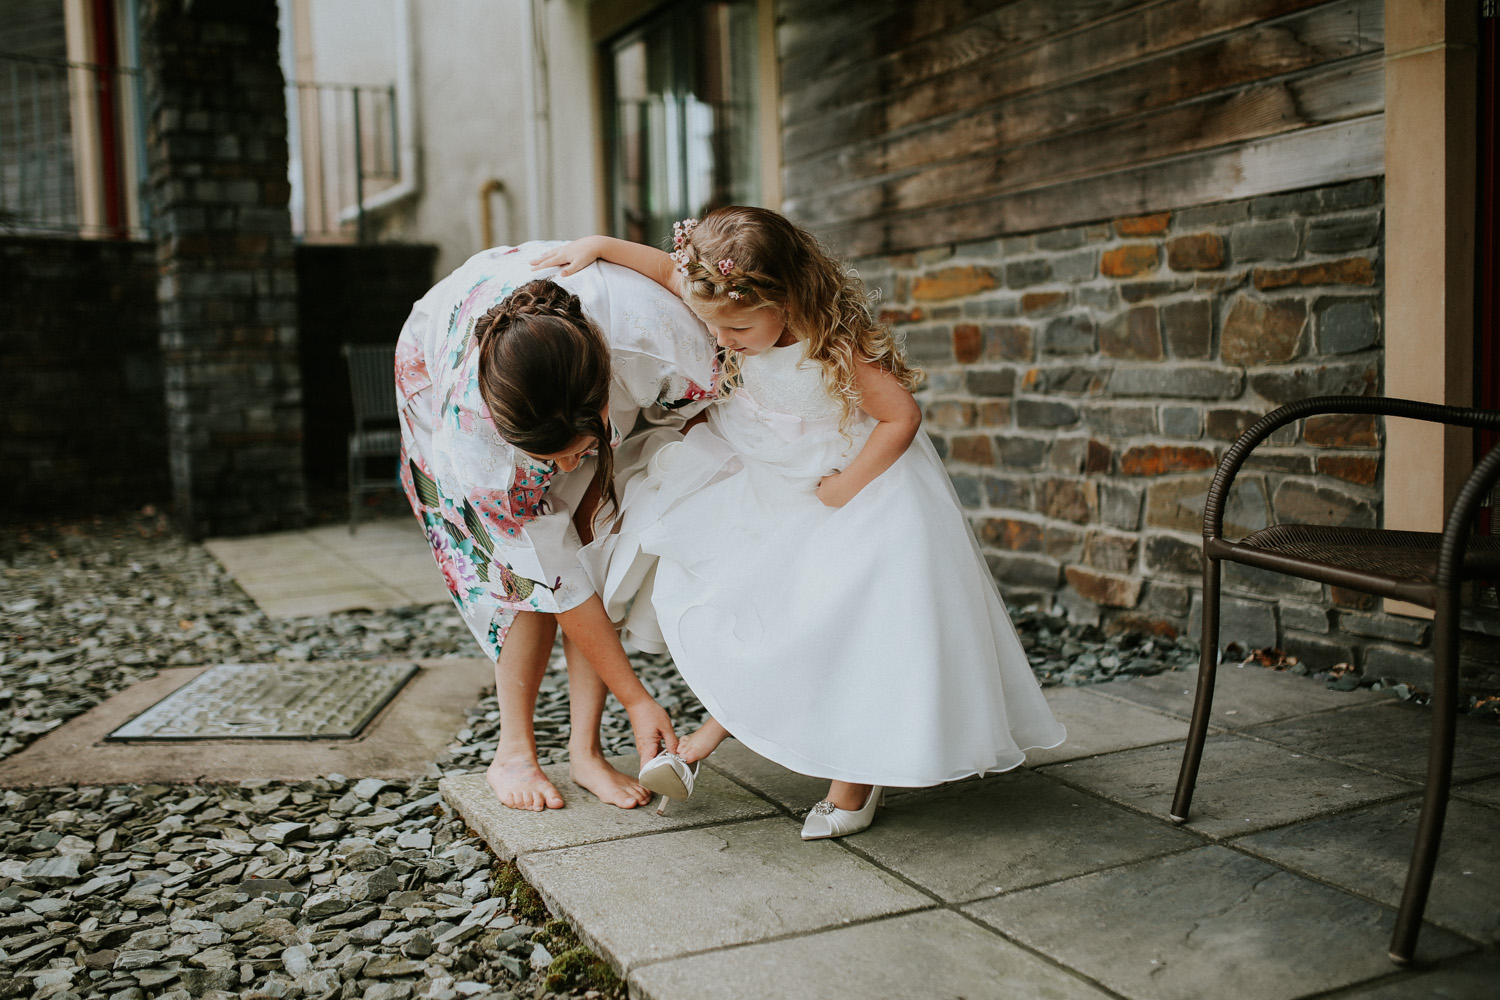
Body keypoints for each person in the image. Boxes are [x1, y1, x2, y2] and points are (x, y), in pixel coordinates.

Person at [531, 208, 1065, 839]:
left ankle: (854, 780)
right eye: (715, 325)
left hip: (848, 484)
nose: (723, 339)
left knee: (838, 619)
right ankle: (711, 736)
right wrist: (597, 245)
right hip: (764, 474)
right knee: (753, 605)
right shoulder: (721, 294)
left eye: (738, 325)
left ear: (785, 297)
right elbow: (660, 267)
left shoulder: (832, 343)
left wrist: (847, 485)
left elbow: (900, 418)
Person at [396, 241, 717, 812]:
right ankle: (513, 750)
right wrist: (639, 700)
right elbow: (553, 577)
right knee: (520, 582)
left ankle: (585, 752)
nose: (569, 468)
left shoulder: (660, 340)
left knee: (601, 545)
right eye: (552, 459)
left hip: (579, 346)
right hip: (436, 357)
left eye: (579, 450)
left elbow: (721, 404)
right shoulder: (474, 443)